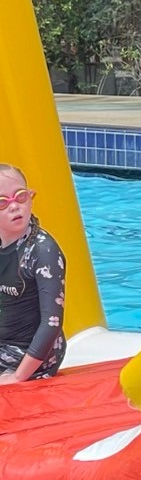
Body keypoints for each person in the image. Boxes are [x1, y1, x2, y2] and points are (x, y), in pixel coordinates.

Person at [0, 164, 66, 383]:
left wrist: (17, 377)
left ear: (31, 197)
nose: (14, 207)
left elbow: (52, 323)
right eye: (2, 202)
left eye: (20, 197)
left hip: (32, 355)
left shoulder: (42, 251)